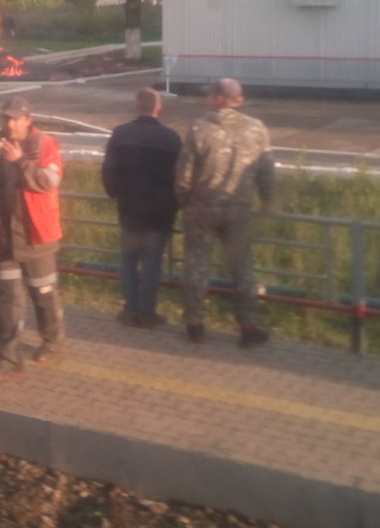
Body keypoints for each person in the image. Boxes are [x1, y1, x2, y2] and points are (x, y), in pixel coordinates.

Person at [175, 78, 276, 347]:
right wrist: (268, 202)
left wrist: (186, 201)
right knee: (241, 268)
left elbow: (183, 176)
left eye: (211, 95)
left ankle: (195, 325)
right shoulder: (257, 129)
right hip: (240, 209)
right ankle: (249, 327)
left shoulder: (198, 129)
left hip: (202, 208)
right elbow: (267, 172)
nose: (207, 99)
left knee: (197, 266)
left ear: (219, 98)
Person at [0, 95, 66, 382]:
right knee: (6, 300)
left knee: (43, 294)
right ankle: (8, 359)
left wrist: (20, 164)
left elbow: (48, 182)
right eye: (6, 118)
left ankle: (52, 342)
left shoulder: (45, 145)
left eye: (16, 118)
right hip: (5, 236)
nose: (10, 123)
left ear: (28, 120)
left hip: (36, 235)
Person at [102, 87, 182, 328]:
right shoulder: (172, 139)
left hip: (129, 211)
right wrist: (176, 204)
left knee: (128, 262)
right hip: (159, 214)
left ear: (137, 106)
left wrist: (114, 193)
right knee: (152, 265)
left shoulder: (120, 134)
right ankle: (147, 314)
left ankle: (129, 311)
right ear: (158, 107)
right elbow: (181, 177)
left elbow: (108, 171)